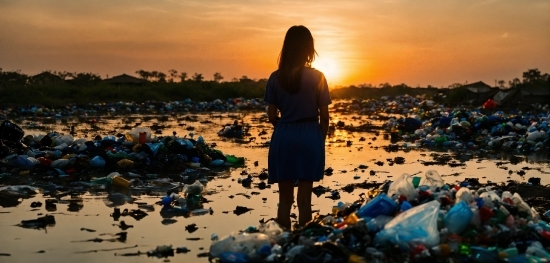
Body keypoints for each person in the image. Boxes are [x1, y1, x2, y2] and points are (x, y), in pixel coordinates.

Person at [264, 25, 331, 230]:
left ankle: (284, 243)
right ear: (309, 49)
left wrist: (285, 126)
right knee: (305, 201)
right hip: (310, 134)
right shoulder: (318, 77)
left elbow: (271, 115)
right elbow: (325, 116)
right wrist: (320, 138)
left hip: (284, 134)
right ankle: (302, 243)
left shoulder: (276, 77)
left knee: (284, 200)